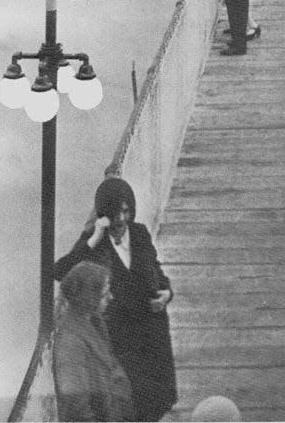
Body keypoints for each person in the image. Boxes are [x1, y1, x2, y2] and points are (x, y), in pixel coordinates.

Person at [54, 178, 177, 422]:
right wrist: (95, 235)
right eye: (115, 212)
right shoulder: (96, 241)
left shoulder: (140, 234)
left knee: (157, 399)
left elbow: (157, 273)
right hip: (122, 335)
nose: (121, 218)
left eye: (126, 210)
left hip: (152, 330)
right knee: (131, 398)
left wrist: (167, 293)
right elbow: (60, 271)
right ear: (103, 214)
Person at [53, 261, 135, 422]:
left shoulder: (95, 322)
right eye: (105, 294)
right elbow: (76, 409)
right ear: (89, 298)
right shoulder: (71, 342)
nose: (111, 297)